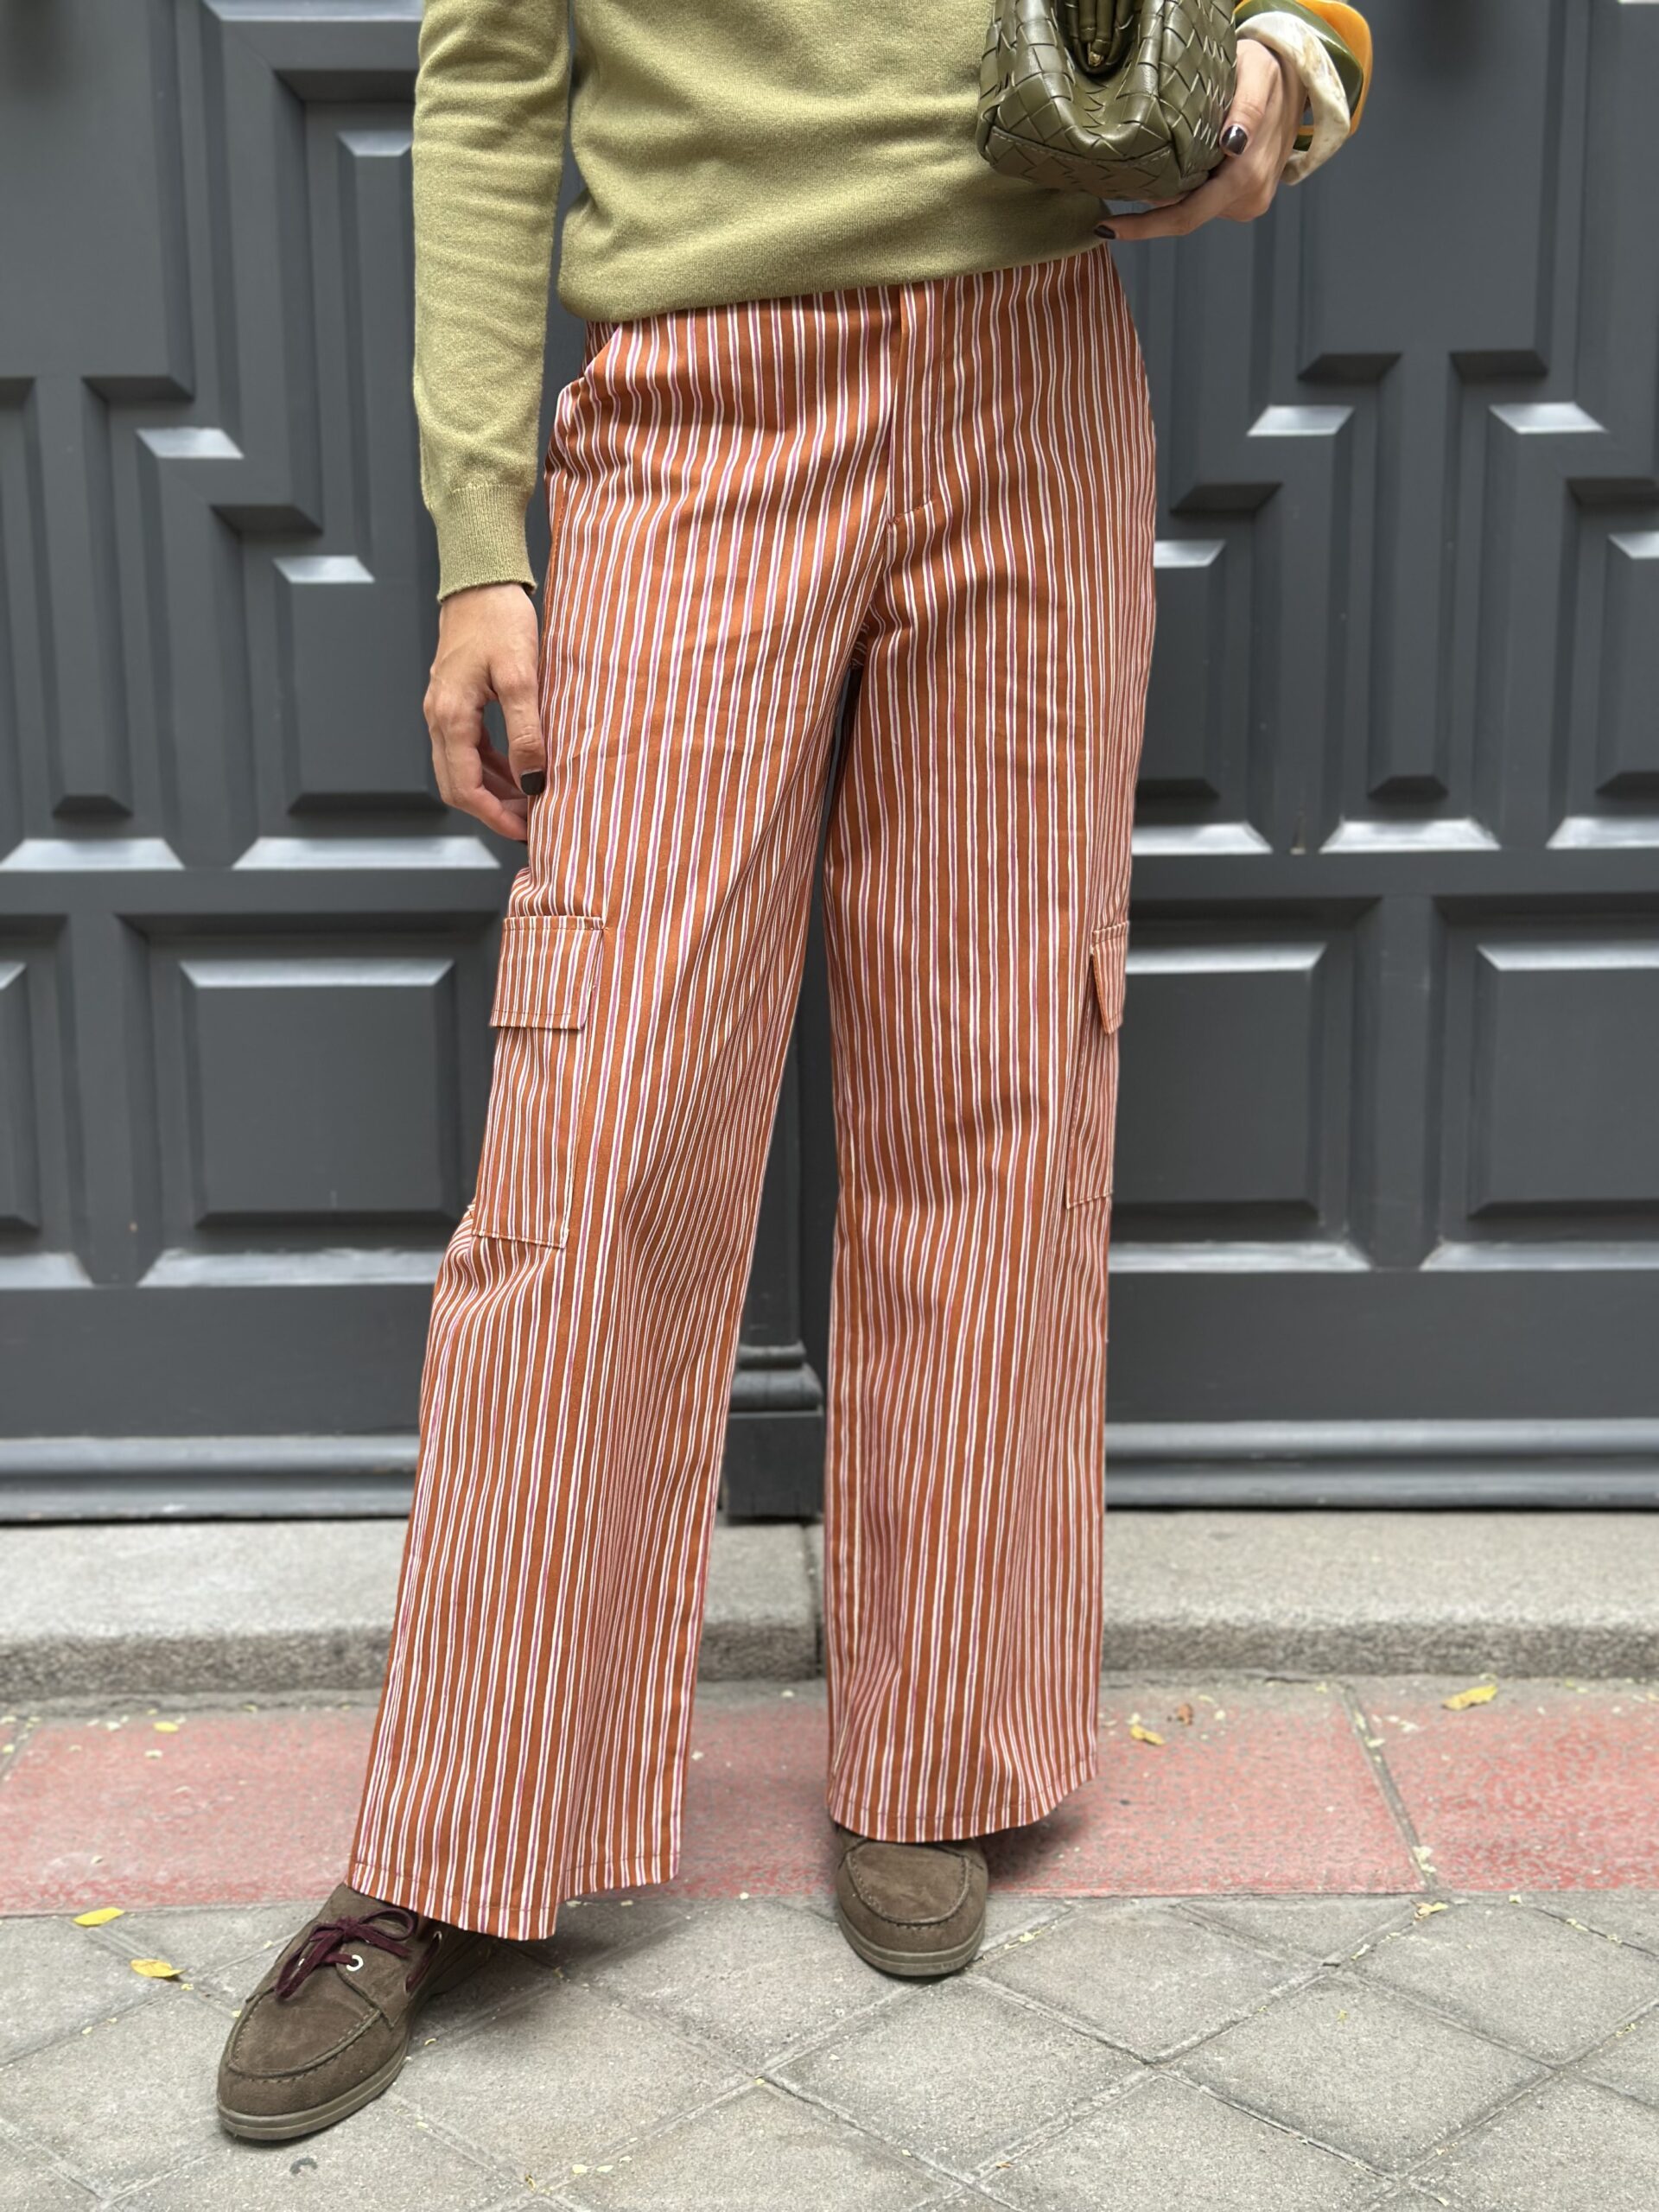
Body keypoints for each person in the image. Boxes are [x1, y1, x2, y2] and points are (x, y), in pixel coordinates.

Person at [215, 0, 1372, 2142]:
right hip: (698, 396)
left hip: (1037, 364)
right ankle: (453, 1828)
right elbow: (490, 75)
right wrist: (480, 543)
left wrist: (1297, 59)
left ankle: (939, 1743)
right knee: (601, 1107)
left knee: (998, 1074)